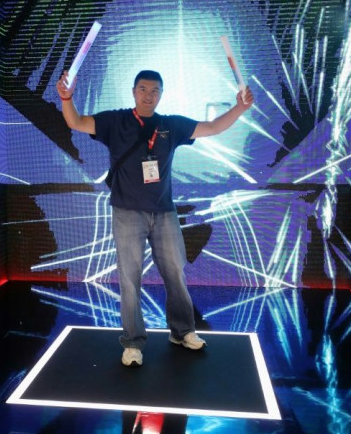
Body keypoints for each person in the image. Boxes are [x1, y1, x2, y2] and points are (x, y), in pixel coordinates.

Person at [57, 69, 254, 366]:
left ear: (161, 94)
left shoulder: (170, 125)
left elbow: (213, 127)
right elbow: (75, 121)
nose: (148, 95)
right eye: (143, 89)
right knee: (129, 280)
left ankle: (183, 331)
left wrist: (240, 107)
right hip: (127, 213)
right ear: (134, 91)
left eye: (155, 91)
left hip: (164, 213)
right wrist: (66, 98)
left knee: (176, 273)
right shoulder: (115, 121)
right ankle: (133, 343)